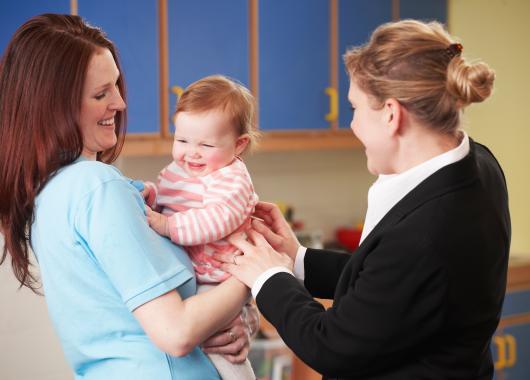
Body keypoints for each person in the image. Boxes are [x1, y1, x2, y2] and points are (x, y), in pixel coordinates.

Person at [215, 19, 510, 379]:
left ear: (390, 114)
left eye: (355, 108)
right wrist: (296, 259)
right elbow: (388, 285)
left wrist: (267, 278)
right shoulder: (478, 164)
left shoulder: (427, 231)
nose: (352, 124)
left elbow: (333, 346)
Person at [0, 14, 258, 380]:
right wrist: (254, 272)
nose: (120, 103)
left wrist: (237, 316)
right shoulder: (97, 188)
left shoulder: (52, 192)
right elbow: (176, 332)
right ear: (55, 106)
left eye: (116, 87)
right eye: (101, 94)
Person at [139, 75, 259, 379]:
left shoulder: (232, 179)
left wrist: (166, 224)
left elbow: (217, 219)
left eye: (206, 144)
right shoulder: (179, 170)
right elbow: (169, 198)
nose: (191, 152)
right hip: (199, 275)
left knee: (224, 354)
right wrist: (152, 197)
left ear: (239, 145)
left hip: (220, 277)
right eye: (182, 141)